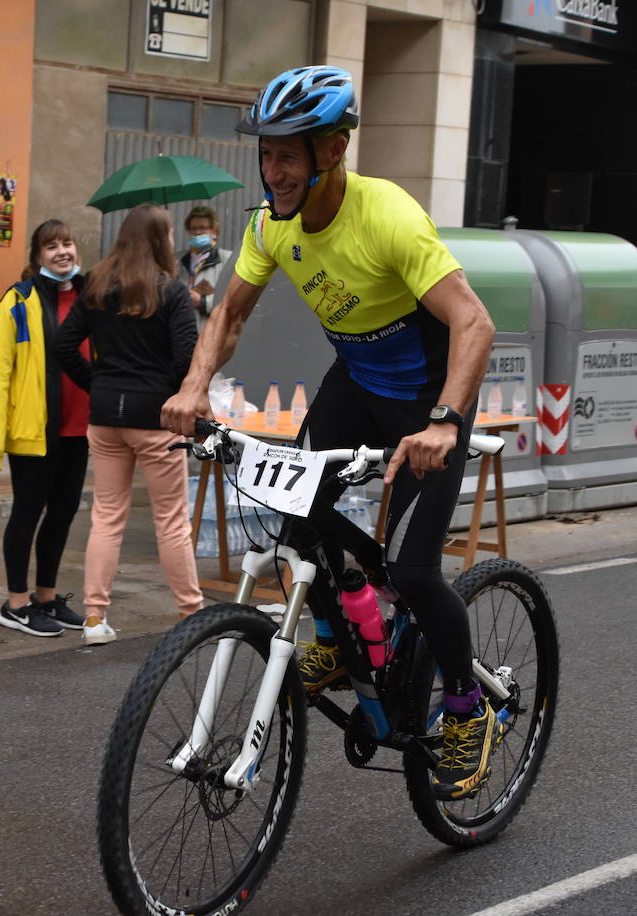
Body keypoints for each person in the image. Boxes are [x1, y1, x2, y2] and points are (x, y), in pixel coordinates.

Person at [160, 66, 499, 801]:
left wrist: (445, 423)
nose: (272, 170)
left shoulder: (388, 217)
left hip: (424, 401)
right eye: (266, 154)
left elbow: (474, 321)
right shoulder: (270, 224)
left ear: (334, 149)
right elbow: (229, 314)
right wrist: (193, 388)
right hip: (355, 382)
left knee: (413, 571)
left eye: (289, 154)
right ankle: (345, 637)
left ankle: (469, 711)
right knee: (296, 520)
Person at [58, 203, 203, 646]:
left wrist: (96, 382)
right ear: (161, 240)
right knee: (172, 521)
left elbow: (64, 345)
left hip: (105, 418)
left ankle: (94, 618)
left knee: (106, 517)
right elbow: (186, 360)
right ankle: (191, 615)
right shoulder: (172, 292)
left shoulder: (97, 285)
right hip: (155, 420)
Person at [0, 219, 90, 638]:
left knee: (62, 514)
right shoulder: (17, 301)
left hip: (78, 429)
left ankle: (46, 597)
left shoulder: (88, 297)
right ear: (37, 256)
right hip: (33, 433)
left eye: (67, 243)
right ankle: (16, 603)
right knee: (27, 514)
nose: (62, 251)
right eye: (51, 246)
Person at [177, 206, 234, 330]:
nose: (197, 232)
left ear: (215, 231)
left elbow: (233, 300)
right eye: (193, 229)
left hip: (212, 332)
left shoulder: (227, 259)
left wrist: (202, 302)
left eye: (202, 228)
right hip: (184, 334)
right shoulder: (178, 262)